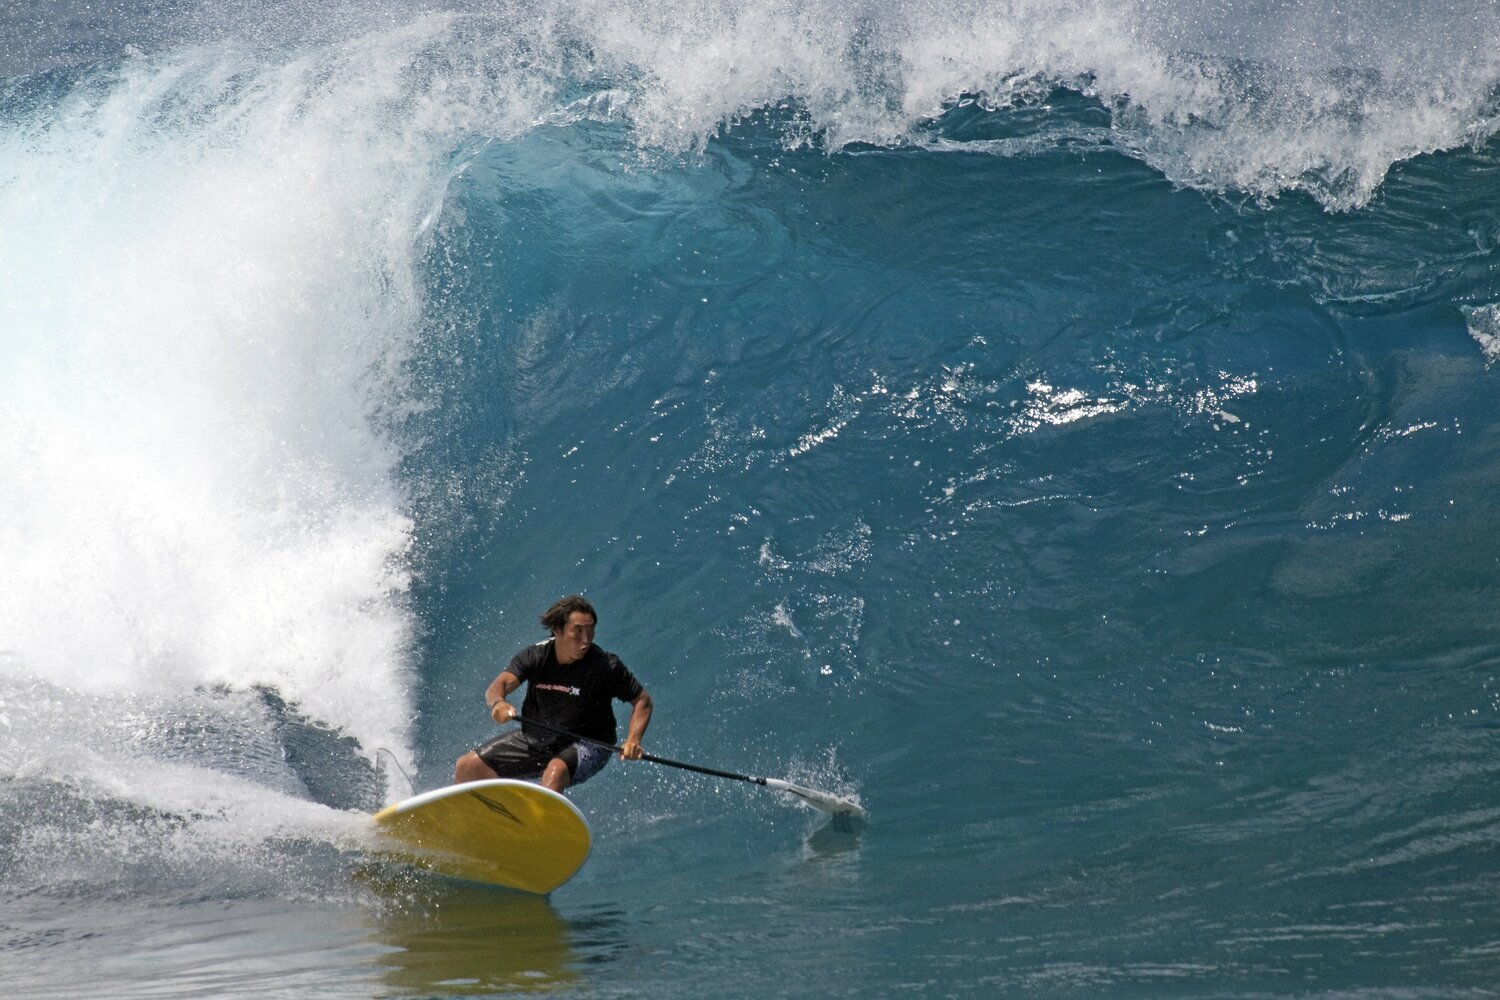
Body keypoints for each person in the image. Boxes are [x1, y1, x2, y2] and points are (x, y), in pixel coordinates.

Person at [453, 595, 653, 794]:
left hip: (590, 744)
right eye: (578, 630)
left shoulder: (605, 666)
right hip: (537, 740)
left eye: (591, 629)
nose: (586, 638)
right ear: (557, 629)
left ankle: (541, 824)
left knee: (556, 772)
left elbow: (642, 700)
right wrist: (498, 704)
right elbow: (499, 685)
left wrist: (633, 739)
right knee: (468, 766)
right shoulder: (535, 656)